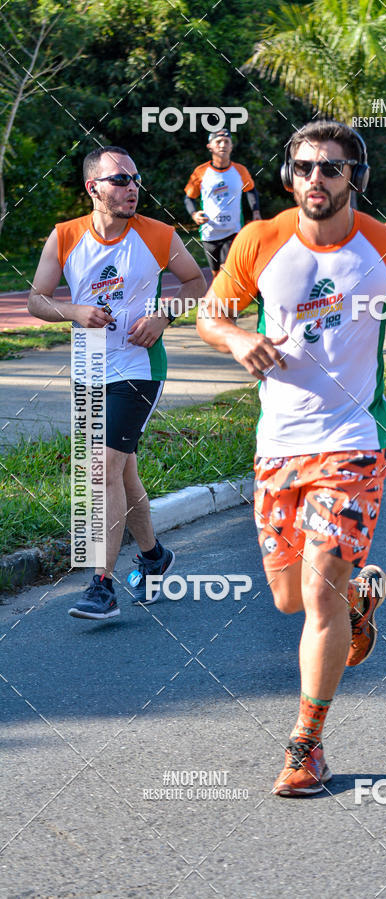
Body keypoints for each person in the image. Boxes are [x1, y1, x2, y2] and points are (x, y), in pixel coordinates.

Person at [195, 120, 386, 796]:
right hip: (279, 445)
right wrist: (233, 339)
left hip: (352, 441)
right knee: (288, 599)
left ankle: (305, 745)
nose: (317, 178)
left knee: (318, 589)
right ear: (289, 175)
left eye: (332, 168)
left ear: (353, 180)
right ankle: (357, 613)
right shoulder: (259, 240)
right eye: (306, 166)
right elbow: (210, 314)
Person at [28, 146, 207, 620]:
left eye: (135, 179)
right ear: (93, 188)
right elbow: (37, 300)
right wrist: (74, 311)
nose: (132, 188)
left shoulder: (159, 234)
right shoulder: (65, 236)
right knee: (122, 473)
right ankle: (153, 557)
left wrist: (161, 318)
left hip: (139, 367)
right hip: (88, 367)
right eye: (120, 180)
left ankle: (101, 586)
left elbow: (195, 283)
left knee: (102, 470)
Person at [184, 127, 261, 276]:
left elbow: (251, 190)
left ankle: (234, 298)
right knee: (217, 275)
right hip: (210, 233)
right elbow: (189, 198)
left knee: (227, 272)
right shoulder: (201, 172)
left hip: (233, 231)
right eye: (218, 141)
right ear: (210, 147)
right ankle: (223, 298)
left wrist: (256, 211)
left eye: (226, 141)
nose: (222, 145)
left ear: (231, 146)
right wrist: (194, 215)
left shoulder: (240, 171)